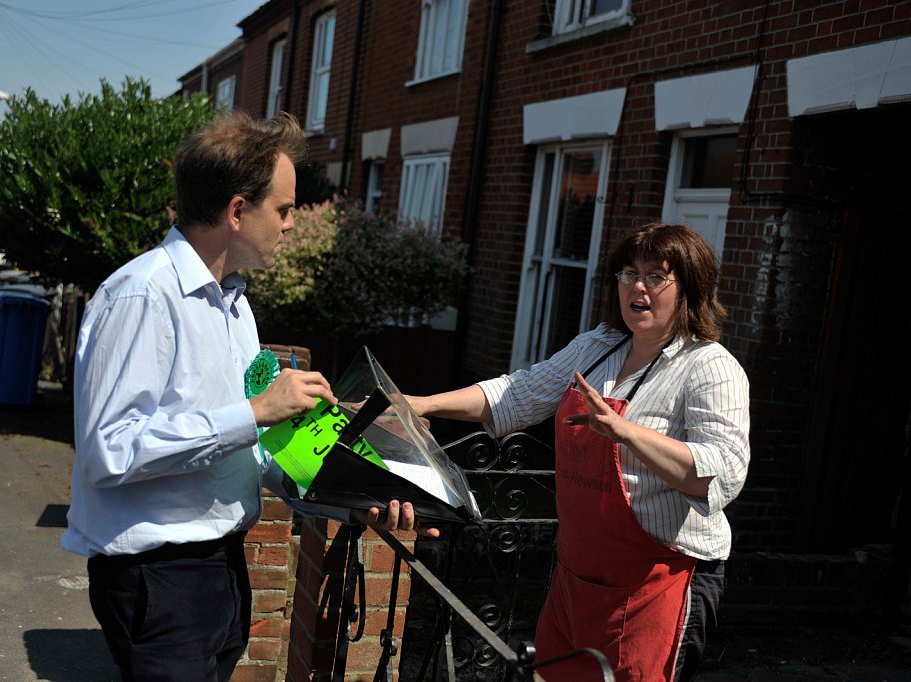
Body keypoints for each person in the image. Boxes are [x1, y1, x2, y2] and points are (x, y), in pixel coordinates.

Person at [62, 110, 431, 682]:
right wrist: (256, 411)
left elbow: (251, 454)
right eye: (283, 209)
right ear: (237, 211)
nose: (292, 224)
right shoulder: (142, 295)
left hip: (219, 568)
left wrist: (353, 498)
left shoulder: (234, 305)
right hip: (157, 575)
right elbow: (106, 453)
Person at [405, 223, 750, 681]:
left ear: (689, 288)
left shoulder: (710, 367)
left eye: (655, 276)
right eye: (629, 274)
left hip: (658, 582)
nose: (637, 287)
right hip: (577, 577)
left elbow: (721, 474)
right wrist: (421, 404)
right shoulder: (598, 347)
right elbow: (519, 393)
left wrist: (626, 433)